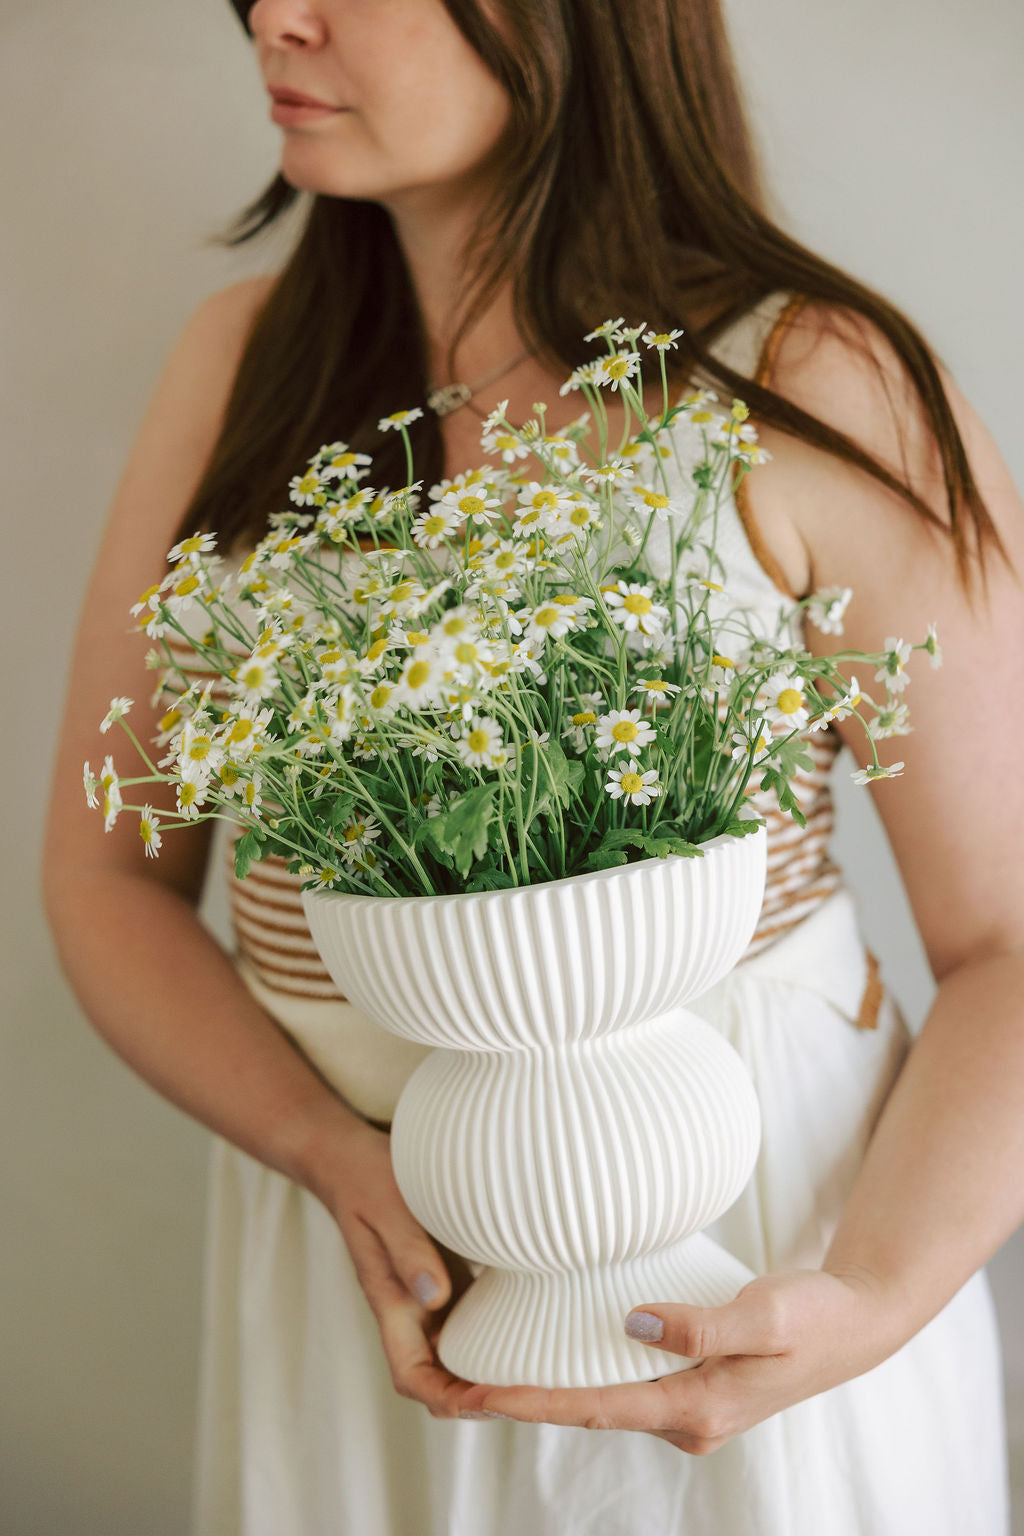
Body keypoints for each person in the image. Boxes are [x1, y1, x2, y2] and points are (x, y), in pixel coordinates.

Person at [41, 0, 1024, 1531]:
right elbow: (109, 874)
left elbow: (1011, 942)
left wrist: (871, 1299)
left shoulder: (809, 375)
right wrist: (330, 1157)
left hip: (750, 1266)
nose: (273, 20)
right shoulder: (244, 368)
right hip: (370, 1271)